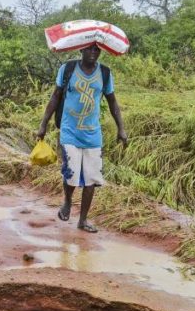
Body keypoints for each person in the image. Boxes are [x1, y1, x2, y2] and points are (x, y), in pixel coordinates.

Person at [36, 43, 127, 233]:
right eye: (89, 49)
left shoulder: (104, 73)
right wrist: (43, 124)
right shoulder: (68, 69)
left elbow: (112, 102)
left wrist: (121, 128)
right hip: (69, 131)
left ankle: (83, 220)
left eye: (97, 49)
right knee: (71, 173)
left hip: (93, 135)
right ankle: (68, 201)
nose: (93, 52)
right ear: (81, 50)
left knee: (91, 179)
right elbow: (55, 96)